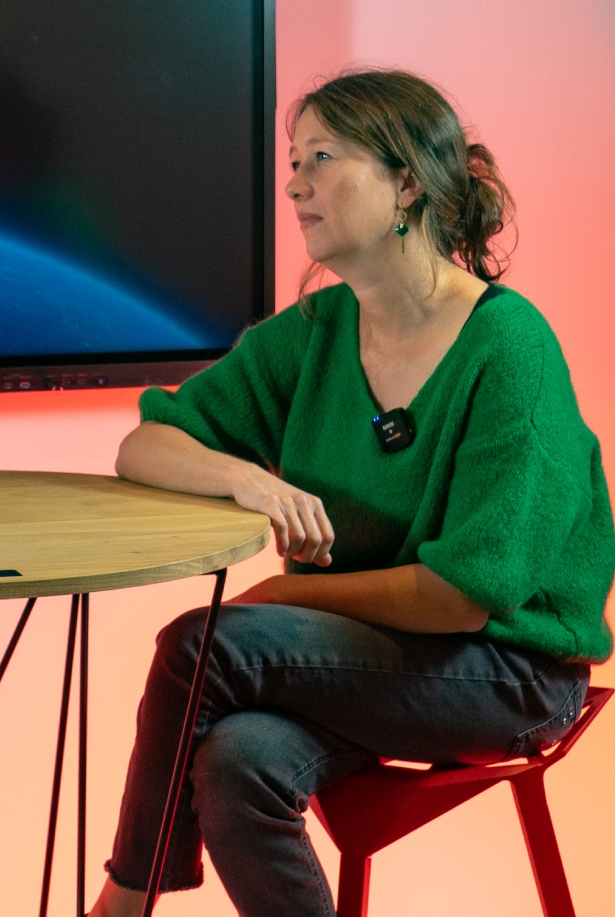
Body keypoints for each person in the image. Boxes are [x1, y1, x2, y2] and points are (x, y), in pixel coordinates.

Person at [87, 69, 614, 917]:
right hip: (375, 660)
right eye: (293, 162)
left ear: (407, 180)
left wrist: (286, 594)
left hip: (509, 672)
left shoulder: (509, 348)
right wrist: (246, 478)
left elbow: (462, 599)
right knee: (237, 758)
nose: (293, 184)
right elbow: (143, 444)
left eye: (322, 158)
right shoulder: (318, 334)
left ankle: (122, 903)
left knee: (203, 644)